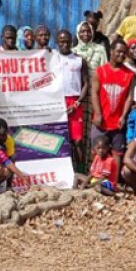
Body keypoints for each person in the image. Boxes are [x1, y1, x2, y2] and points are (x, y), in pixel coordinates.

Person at [91, 40, 135, 166]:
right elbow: (94, 93)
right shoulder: (99, 72)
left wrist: (123, 116)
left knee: (117, 154)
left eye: (124, 53)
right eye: (119, 51)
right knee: (96, 152)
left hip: (117, 123)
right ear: (111, 51)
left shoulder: (129, 74)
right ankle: (94, 179)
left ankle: (113, 183)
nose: (121, 55)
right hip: (101, 121)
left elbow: (129, 96)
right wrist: (98, 114)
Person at [53, 30, 89, 170]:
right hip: (57, 102)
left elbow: (86, 83)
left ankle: (80, 171)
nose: (65, 44)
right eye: (62, 41)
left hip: (75, 103)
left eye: (67, 41)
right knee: (58, 140)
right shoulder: (52, 58)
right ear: (57, 42)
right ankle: (62, 171)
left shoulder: (79, 60)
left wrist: (78, 102)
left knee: (77, 140)